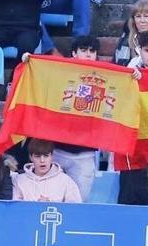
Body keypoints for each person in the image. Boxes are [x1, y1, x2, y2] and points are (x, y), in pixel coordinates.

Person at [51, 36, 102, 203]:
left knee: (80, 202)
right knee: (51, 200)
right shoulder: (60, 72)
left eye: (92, 51)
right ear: (74, 53)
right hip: (57, 149)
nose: (88, 54)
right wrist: (28, 60)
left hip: (85, 153)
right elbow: (40, 73)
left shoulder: (108, 78)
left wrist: (135, 75)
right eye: (83, 50)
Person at [11, 139, 81, 204]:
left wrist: (50, 205)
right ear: (31, 157)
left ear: (52, 156)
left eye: (46, 156)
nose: (42, 160)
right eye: (37, 156)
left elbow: (74, 210)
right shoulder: (19, 180)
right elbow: (15, 209)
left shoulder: (66, 181)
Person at [114, 0, 148, 66]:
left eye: (146, 16)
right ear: (133, 20)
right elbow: (120, 64)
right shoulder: (126, 41)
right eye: (138, 16)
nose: (142, 21)